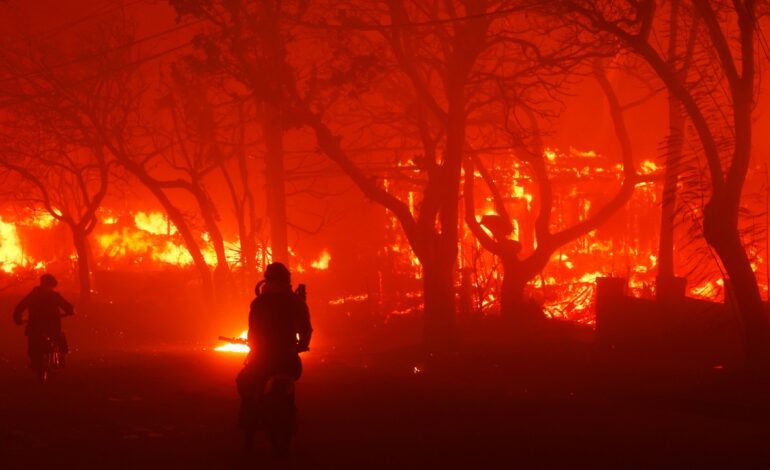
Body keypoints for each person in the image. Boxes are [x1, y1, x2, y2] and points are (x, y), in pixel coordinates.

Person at [236, 262, 313, 444]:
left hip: (262, 360)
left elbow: (252, 331)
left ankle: (251, 415)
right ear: (287, 280)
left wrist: (255, 347)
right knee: (288, 379)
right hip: (288, 360)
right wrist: (301, 345)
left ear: (267, 280)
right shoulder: (296, 303)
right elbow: (306, 330)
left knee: (243, 381)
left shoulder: (258, 303)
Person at [12, 274, 74, 370]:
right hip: (50, 326)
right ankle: (61, 358)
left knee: (35, 342)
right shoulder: (54, 296)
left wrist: (18, 319)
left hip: (35, 326)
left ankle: (38, 361)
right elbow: (67, 306)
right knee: (59, 337)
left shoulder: (33, 296)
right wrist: (69, 311)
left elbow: (19, 307)